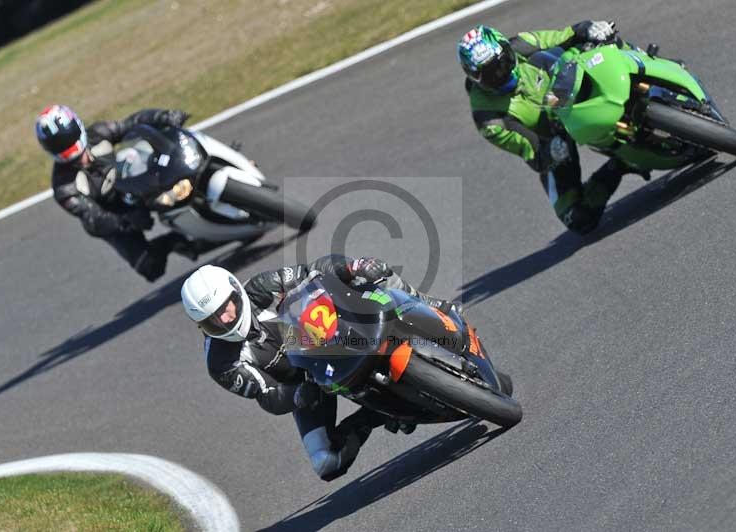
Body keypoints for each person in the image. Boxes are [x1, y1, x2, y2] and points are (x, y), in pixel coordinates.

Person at [180, 255, 460, 481]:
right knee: (326, 462)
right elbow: (267, 395)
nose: (226, 319)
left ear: (235, 290)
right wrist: (300, 395)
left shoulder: (261, 287)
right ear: (201, 326)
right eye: (212, 320)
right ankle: (373, 415)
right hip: (305, 381)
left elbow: (311, 271)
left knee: (373, 276)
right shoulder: (222, 363)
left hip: (323, 332)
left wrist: (352, 267)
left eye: (226, 306)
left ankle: (433, 306)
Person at [458, 21, 643, 234]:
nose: (502, 74)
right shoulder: (488, 120)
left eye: (504, 63)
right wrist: (550, 151)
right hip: (553, 134)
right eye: (490, 75)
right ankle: (621, 164)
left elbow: (564, 35)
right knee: (577, 218)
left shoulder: (521, 44)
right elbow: (533, 152)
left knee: (602, 40)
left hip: (568, 84)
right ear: (474, 77)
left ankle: (648, 64)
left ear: (507, 49)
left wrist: (589, 29)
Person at [36, 104, 198, 281]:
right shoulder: (64, 188)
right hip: (114, 215)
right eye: (59, 143)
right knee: (150, 267)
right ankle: (172, 241)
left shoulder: (98, 133)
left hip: (132, 182)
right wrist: (126, 222)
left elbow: (133, 123)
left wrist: (164, 117)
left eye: (68, 137)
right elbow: (95, 219)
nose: (69, 146)